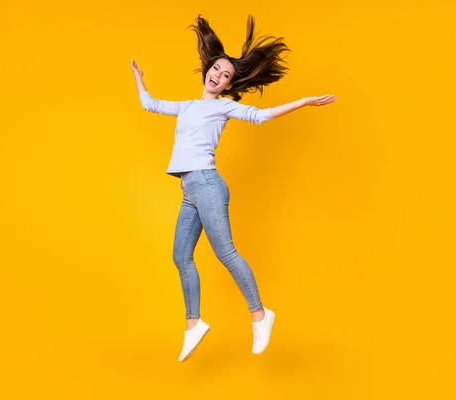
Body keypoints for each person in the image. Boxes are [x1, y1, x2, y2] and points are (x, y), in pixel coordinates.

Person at [131, 15, 336, 362]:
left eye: (226, 76)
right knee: (181, 256)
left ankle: (260, 314)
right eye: (216, 69)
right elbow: (149, 104)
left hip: (208, 185)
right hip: (190, 189)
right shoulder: (188, 107)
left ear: (228, 86)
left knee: (226, 253)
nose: (219, 76)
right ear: (208, 69)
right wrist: (138, 80)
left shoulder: (224, 106)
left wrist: (302, 102)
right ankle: (193, 324)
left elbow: (262, 115)